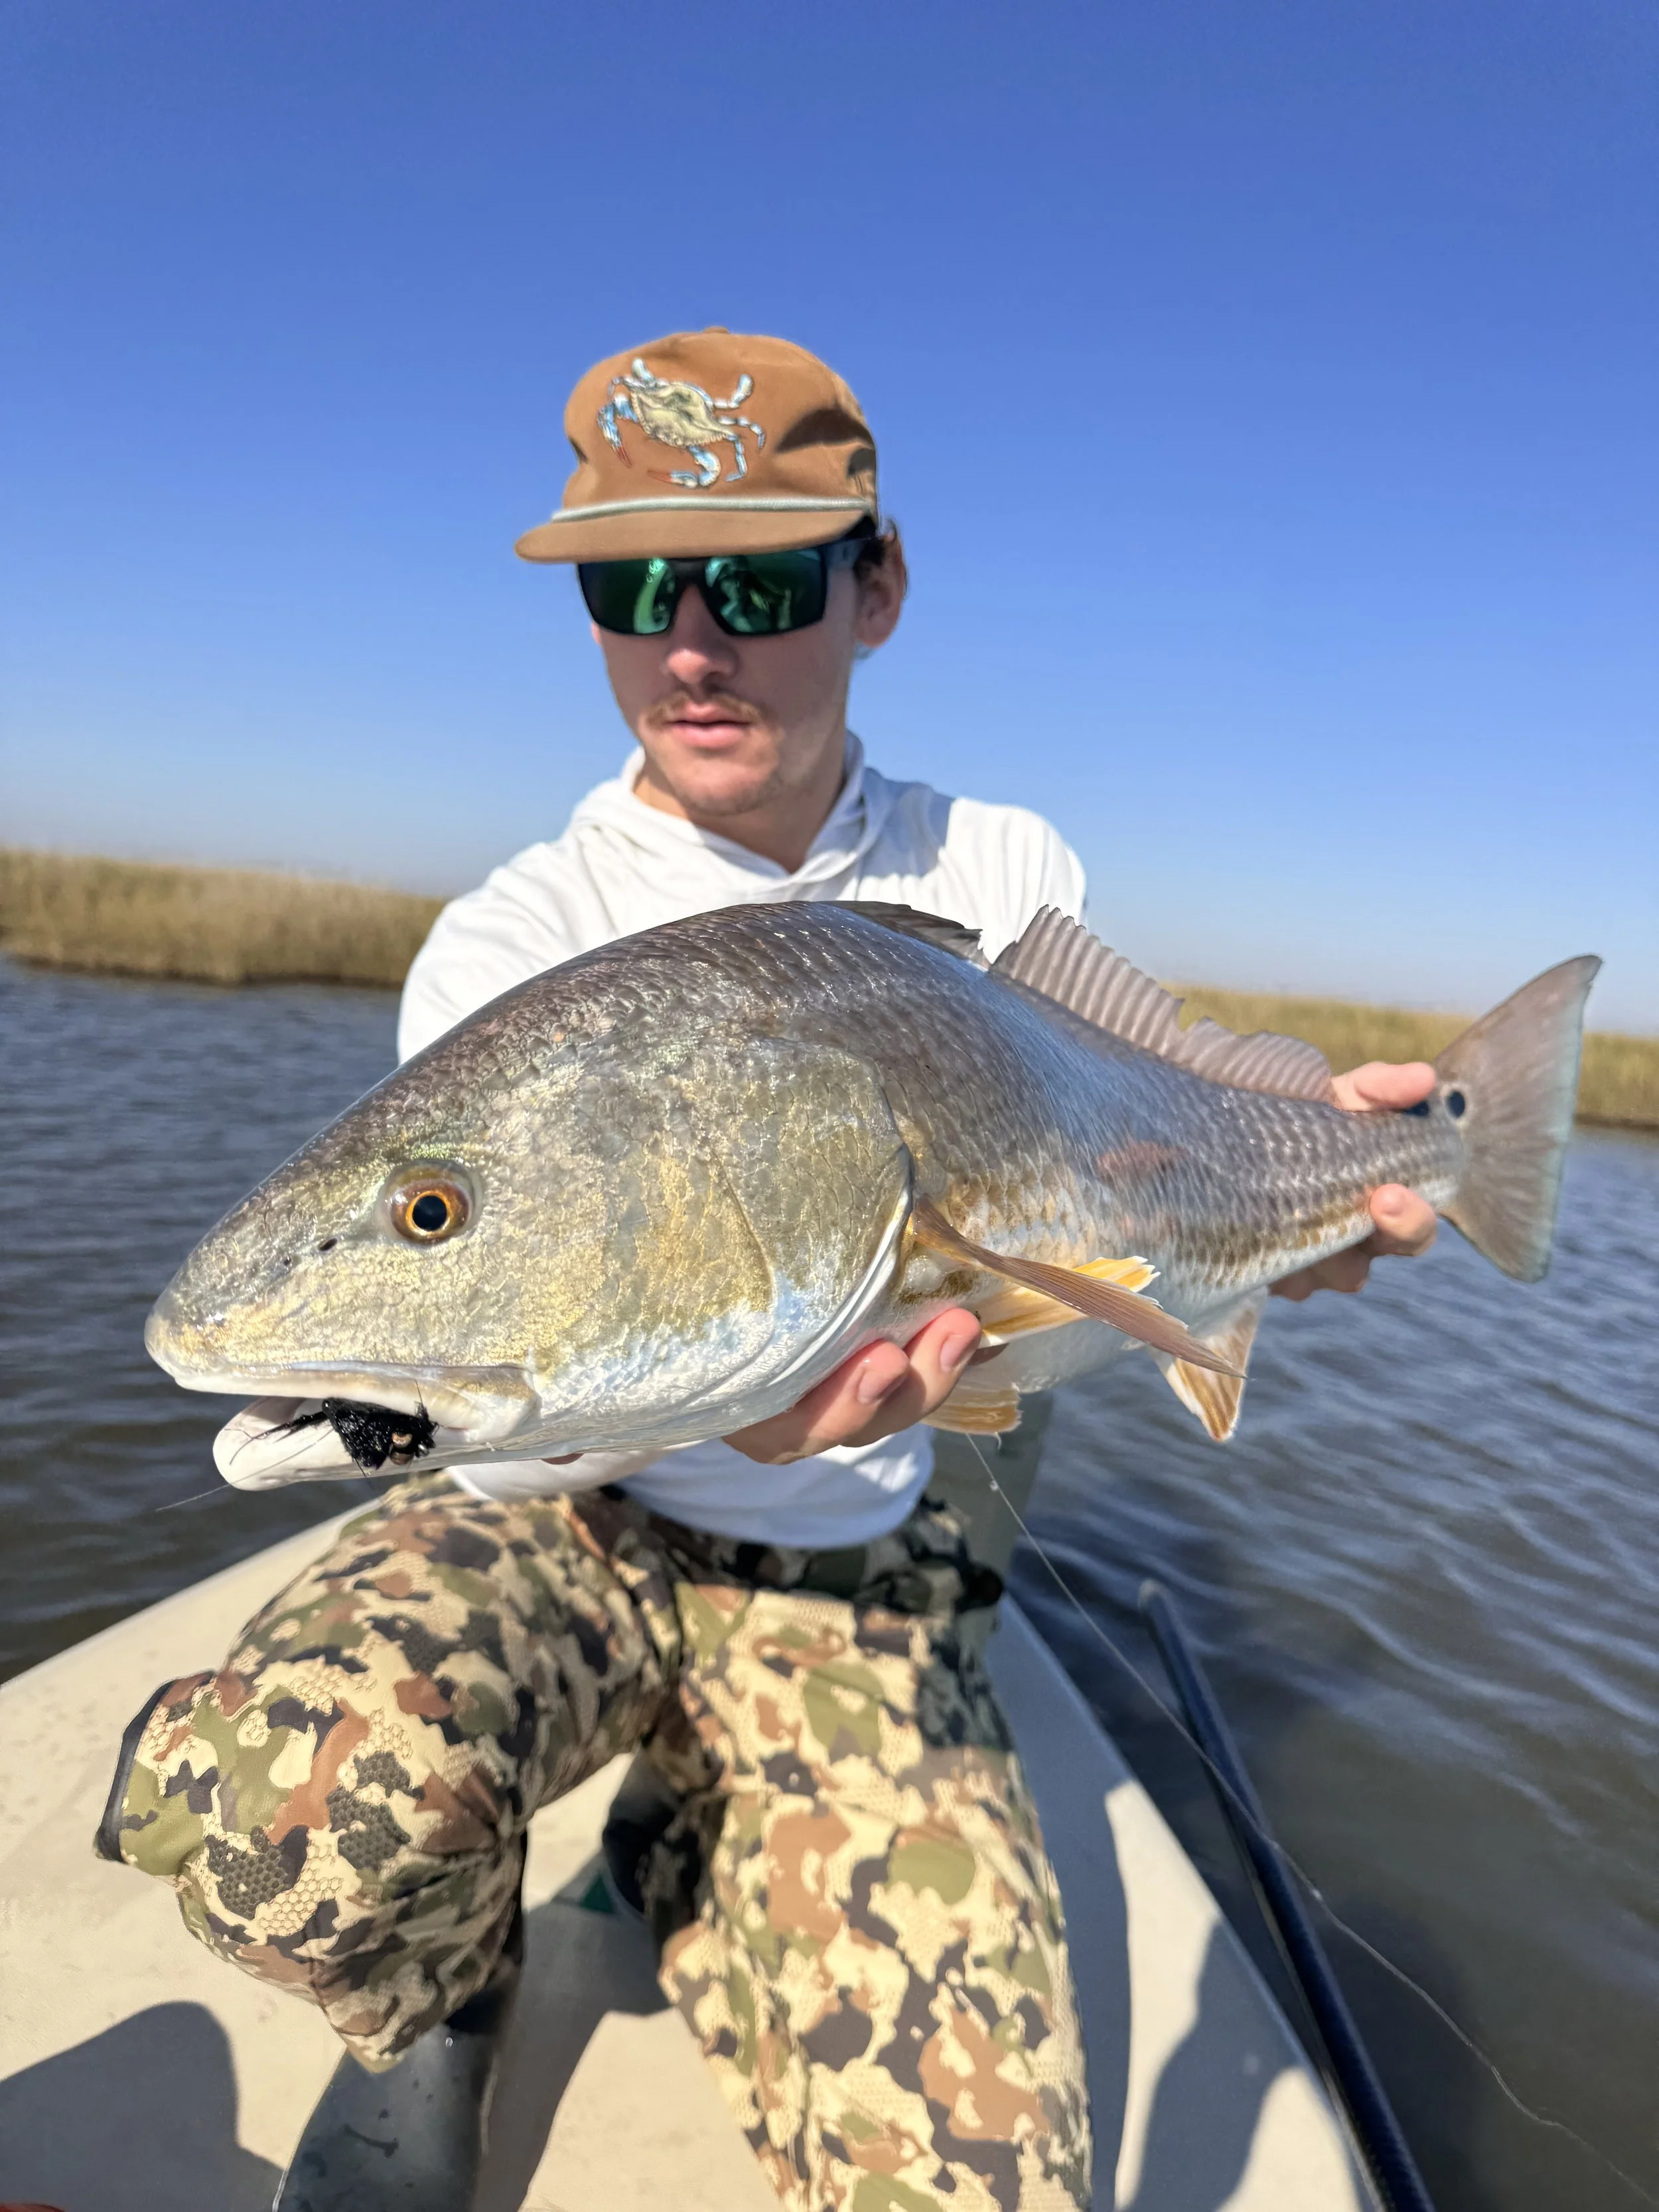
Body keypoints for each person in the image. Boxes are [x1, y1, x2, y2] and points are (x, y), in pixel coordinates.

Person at [98, 329, 1437, 2212]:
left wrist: (1302, 1193)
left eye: (755, 579)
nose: (692, 644)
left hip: (864, 1574)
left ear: (874, 585)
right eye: (635, 586)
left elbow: (1137, 1186)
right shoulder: (515, 938)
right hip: (585, 1514)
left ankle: (680, 1835)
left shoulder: (999, 867)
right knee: (285, 1813)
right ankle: (446, 1988)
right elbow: (499, 1418)